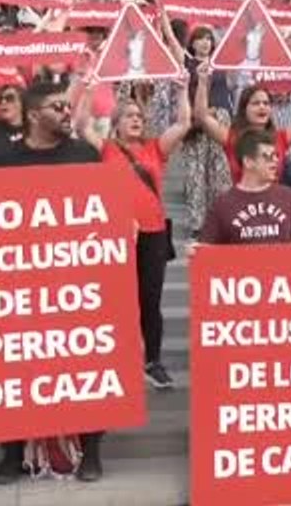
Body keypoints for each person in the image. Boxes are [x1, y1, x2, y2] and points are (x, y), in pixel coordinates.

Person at [0, 80, 105, 484]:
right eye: (57, 107)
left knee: (85, 368)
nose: (66, 112)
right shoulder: (2, 162)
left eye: (67, 107)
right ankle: (12, 452)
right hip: (22, 287)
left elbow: (102, 213)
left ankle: (90, 450)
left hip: (76, 285)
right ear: (33, 115)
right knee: (16, 370)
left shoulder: (86, 156)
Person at [77, 78, 192, 391]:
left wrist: (183, 89)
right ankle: (119, 359)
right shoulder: (107, 148)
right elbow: (82, 123)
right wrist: (88, 89)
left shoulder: (156, 149)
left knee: (150, 301)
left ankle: (152, 361)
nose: (136, 120)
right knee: (117, 301)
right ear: (115, 124)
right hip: (116, 237)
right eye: (129, 116)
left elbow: (183, 123)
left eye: (140, 117)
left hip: (153, 234)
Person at [193, 62, 291, 185]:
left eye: (266, 103)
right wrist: (203, 81)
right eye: (256, 103)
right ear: (244, 109)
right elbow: (202, 116)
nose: (262, 107)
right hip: (242, 205)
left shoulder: (280, 138)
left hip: (273, 204)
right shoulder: (232, 138)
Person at [199, 129, 291, 246]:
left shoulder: (288, 196)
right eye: (268, 157)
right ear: (248, 162)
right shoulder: (223, 203)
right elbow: (207, 246)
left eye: (276, 156)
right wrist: (196, 250)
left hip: (281, 270)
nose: (275, 161)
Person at [179, 27, 233, 237]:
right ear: (192, 43)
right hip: (196, 122)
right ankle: (198, 224)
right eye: (200, 39)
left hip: (221, 118)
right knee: (196, 172)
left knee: (220, 172)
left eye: (209, 39)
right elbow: (173, 45)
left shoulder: (221, 62)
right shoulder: (186, 63)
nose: (205, 43)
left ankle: (219, 219)